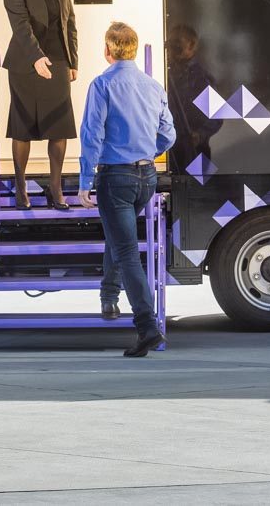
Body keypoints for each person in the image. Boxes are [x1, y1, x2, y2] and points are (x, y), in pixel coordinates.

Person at [79, 21, 176, 357]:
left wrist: (83, 182)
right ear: (133, 49)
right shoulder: (152, 86)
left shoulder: (102, 85)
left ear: (107, 51)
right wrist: (148, 150)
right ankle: (109, 295)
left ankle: (147, 328)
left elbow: (92, 135)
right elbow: (168, 134)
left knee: (126, 251)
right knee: (119, 237)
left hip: (115, 178)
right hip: (146, 177)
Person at [2, 0, 78, 210]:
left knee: (59, 127)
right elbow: (20, 25)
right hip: (25, 63)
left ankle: (55, 188)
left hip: (58, 61)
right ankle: (21, 188)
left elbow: (69, 23)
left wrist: (73, 62)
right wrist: (36, 57)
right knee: (24, 127)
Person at [165, 24, 222, 175]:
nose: (172, 48)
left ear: (191, 45)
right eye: (170, 44)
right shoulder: (164, 72)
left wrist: (199, 135)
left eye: (177, 43)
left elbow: (216, 117)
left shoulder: (199, 78)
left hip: (195, 152)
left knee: (199, 195)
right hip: (171, 151)